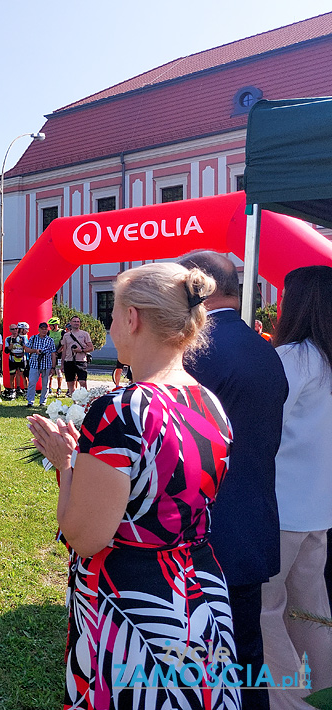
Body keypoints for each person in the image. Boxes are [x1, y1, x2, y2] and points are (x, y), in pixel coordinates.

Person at [28, 263, 240, 710]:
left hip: (135, 606)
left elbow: (86, 537)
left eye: (112, 315)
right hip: (201, 597)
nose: (108, 328)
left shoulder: (120, 410)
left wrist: (67, 466)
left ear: (133, 318)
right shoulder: (210, 402)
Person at [180, 250, 288, 710]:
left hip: (205, 532)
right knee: (247, 653)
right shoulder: (265, 349)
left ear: (194, 287)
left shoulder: (197, 350)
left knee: (198, 661)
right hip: (253, 521)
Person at [260, 265, 332, 707]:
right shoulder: (323, 356)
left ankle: (290, 701)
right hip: (318, 506)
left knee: (266, 610)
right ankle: (323, 689)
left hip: (282, 506)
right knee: (311, 610)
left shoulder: (294, 357)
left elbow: (265, 422)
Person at [23, 321, 56, 408]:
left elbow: (53, 354)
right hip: (34, 364)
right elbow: (26, 349)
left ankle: (43, 402)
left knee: (45, 384)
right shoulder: (33, 338)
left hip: (46, 365)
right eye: (42, 329)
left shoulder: (50, 340)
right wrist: (35, 351)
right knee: (32, 383)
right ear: (39, 329)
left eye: (45, 329)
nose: (44, 331)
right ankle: (30, 401)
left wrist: (53, 367)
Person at [61, 315, 93, 394]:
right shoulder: (66, 335)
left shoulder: (85, 334)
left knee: (82, 382)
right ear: (70, 323)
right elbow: (64, 350)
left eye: (78, 322)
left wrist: (81, 350)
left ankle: (84, 402)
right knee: (70, 383)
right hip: (69, 361)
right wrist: (62, 364)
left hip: (81, 361)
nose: (76, 323)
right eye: (74, 321)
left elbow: (91, 348)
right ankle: (74, 403)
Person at [4, 322, 27, 398]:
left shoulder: (23, 337)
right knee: (12, 375)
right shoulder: (8, 338)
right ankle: (12, 391)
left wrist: (21, 343)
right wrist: (12, 344)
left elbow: (26, 348)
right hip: (12, 358)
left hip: (21, 358)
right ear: (10, 330)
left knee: (23, 375)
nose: (15, 330)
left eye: (16, 328)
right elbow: (7, 350)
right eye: (13, 329)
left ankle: (26, 391)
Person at [46, 317, 65, 397]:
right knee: (49, 371)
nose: (50, 326)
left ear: (55, 325)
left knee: (58, 371)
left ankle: (59, 388)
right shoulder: (48, 332)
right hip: (50, 354)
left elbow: (64, 344)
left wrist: (57, 352)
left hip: (59, 354)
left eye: (51, 325)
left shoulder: (62, 332)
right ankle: (49, 387)